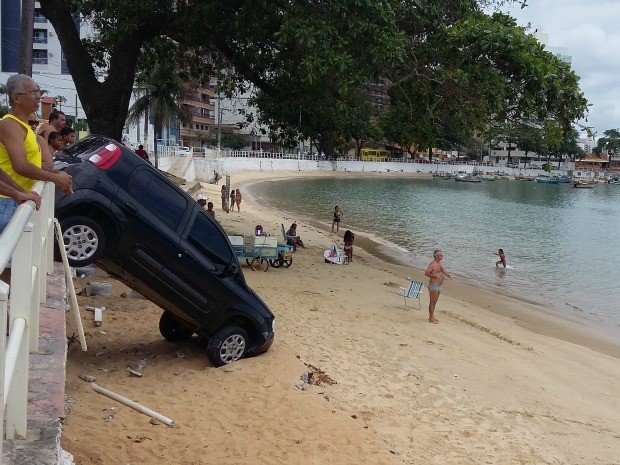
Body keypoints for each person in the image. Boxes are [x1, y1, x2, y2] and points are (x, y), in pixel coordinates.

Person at [0, 74, 72, 281]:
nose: (38, 97)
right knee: (7, 270)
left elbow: (32, 165)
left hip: (15, 199)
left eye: (39, 92)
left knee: (14, 269)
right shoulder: (10, 125)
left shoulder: (24, 127)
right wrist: (54, 179)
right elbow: (20, 166)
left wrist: (54, 173)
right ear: (16, 97)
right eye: (33, 92)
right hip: (5, 203)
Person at [424, 249, 455, 324]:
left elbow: (444, 271)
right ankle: (431, 318)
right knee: (432, 302)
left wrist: (450, 276)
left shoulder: (439, 263)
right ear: (436, 256)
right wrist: (434, 277)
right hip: (433, 286)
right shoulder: (433, 264)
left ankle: (432, 316)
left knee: (434, 302)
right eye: (440, 255)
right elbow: (426, 273)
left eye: (442, 255)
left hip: (438, 286)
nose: (442, 256)